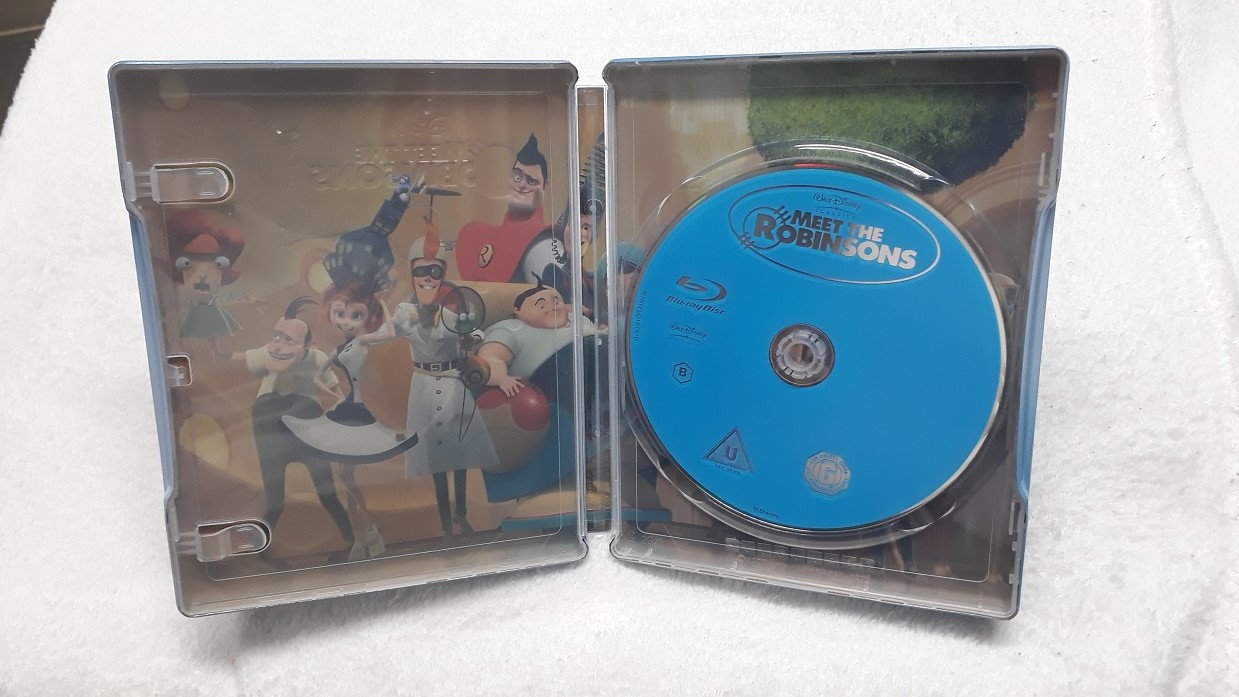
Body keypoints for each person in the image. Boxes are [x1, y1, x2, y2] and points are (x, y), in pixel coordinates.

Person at [373, 220, 499, 539]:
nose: (427, 278)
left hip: (453, 385)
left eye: (434, 271)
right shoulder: (405, 313)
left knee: (460, 456)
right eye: (421, 271)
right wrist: (362, 334)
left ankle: (461, 514)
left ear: (442, 275)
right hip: (424, 387)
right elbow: (386, 333)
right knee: (435, 461)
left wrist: (471, 339)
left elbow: (474, 333)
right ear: (412, 273)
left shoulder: (449, 314)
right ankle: (445, 523)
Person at [229, 298, 354, 554]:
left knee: (327, 494)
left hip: (307, 421)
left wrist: (343, 410)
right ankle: (257, 549)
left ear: (309, 344)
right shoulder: (269, 353)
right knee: (275, 500)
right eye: (278, 336)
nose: (281, 345)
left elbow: (335, 391)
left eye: (291, 340)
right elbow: (231, 358)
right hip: (269, 421)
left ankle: (353, 540)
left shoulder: (317, 359)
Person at [453, 134, 562, 285]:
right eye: (517, 177)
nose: (522, 185)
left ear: (545, 187)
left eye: (531, 181)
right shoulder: (476, 235)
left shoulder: (544, 244)